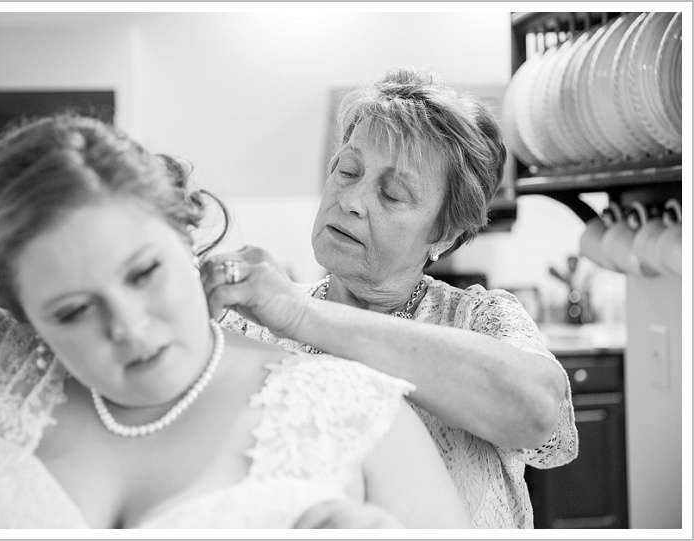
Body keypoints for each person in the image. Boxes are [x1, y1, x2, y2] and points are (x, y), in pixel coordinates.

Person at [0, 113, 472, 530]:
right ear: (28, 313)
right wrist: (17, 236)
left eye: (143, 271)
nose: (127, 326)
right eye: (72, 309)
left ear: (184, 232)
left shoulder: (358, 415)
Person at [200, 67, 579, 529]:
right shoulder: (249, 323)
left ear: (444, 232)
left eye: (393, 194)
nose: (352, 200)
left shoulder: (479, 319)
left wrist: (303, 316)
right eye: (348, 170)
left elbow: (537, 413)